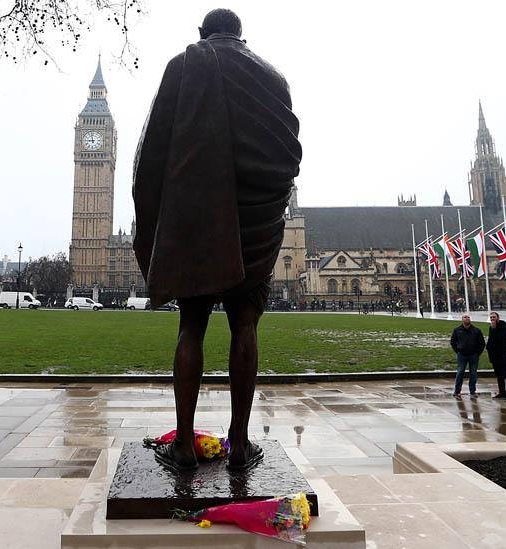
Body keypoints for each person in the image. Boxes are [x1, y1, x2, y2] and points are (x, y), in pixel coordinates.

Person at [133, 8, 301, 472]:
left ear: (202, 34)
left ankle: (184, 443)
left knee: (192, 326)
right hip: (257, 227)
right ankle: (241, 443)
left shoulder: (185, 64)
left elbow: (152, 154)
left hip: (200, 224)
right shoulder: (275, 79)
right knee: (245, 326)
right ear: (242, 36)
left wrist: (156, 220)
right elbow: (288, 158)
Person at [450, 313, 485, 397]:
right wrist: (458, 350)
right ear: (462, 319)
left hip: (473, 355)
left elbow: (482, 343)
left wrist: (477, 353)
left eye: (468, 317)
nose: (467, 318)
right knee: (460, 373)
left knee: (473, 374)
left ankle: (472, 391)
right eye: (465, 317)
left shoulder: (476, 330)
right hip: (462, 355)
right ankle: (457, 391)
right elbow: (453, 342)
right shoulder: (457, 330)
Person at [486, 311, 506, 400]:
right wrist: (488, 348)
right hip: (494, 355)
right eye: (491, 318)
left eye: (494, 317)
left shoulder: (503, 326)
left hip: (502, 354)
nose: (492, 319)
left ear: (498, 317)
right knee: (499, 375)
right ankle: (502, 392)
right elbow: (491, 340)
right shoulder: (491, 327)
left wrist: (494, 329)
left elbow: (501, 338)